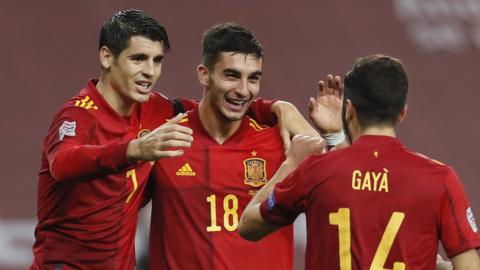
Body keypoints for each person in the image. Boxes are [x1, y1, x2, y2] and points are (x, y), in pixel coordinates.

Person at [30, 9, 318, 269]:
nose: (150, 72)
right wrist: (135, 150)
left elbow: (216, 104)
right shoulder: (79, 115)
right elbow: (64, 164)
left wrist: (278, 107)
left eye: (157, 60)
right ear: (107, 57)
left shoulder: (156, 109)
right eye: (138, 59)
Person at [239, 54, 480, 269]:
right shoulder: (439, 179)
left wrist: (290, 163)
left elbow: (248, 225)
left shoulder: (315, 170)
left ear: (350, 110)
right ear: (402, 112)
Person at [148, 23, 326, 269]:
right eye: (231, 75)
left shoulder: (280, 143)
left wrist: (334, 135)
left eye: (253, 78)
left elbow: (343, 191)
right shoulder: (164, 139)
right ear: (204, 74)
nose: (243, 90)